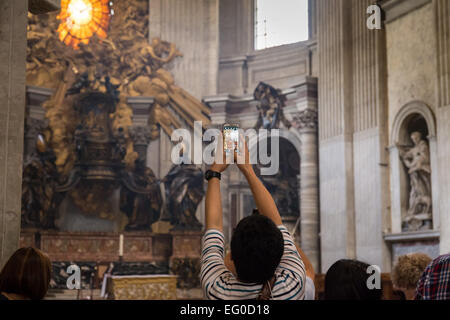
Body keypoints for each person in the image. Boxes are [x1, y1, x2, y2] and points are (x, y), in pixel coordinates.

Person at [200, 138, 306, 300]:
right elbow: (278, 223)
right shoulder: (292, 286)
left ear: (232, 256)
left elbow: (213, 227)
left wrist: (215, 170)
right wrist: (248, 169)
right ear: (280, 253)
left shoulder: (217, 290)